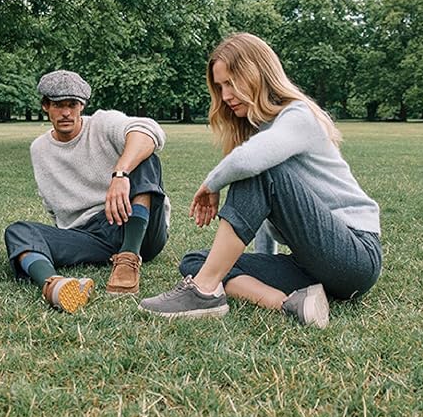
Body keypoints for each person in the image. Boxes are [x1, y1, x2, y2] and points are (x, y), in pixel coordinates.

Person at [139, 32, 382, 327]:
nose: (225, 96)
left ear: (256, 74)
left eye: (231, 83)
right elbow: (267, 215)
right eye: (220, 86)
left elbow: (249, 162)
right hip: (314, 266)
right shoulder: (262, 134)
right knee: (197, 261)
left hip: (355, 257)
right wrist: (263, 263)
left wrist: (211, 184)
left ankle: (203, 292)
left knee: (259, 169)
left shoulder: (298, 115)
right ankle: (290, 304)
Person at [4, 70, 169, 313]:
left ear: (82, 105)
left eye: (72, 104)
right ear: (45, 106)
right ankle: (54, 285)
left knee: (146, 158)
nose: (66, 113)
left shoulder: (102, 123)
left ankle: (128, 258)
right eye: (58, 105)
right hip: (90, 236)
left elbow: (149, 131)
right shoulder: (39, 149)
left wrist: (120, 174)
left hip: (138, 226)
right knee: (18, 231)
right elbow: (51, 204)